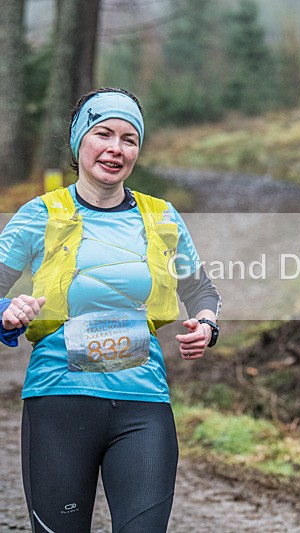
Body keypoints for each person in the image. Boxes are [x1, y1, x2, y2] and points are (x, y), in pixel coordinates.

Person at [0, 87, 222, 532]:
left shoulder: (162, 217)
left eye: (129, 139)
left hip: (144, 405)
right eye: (103, 134)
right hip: (59, 402)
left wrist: (208, 325)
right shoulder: (40, 214)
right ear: (80, 138)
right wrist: (7, 309)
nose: (115, 149)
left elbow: (201, 291)